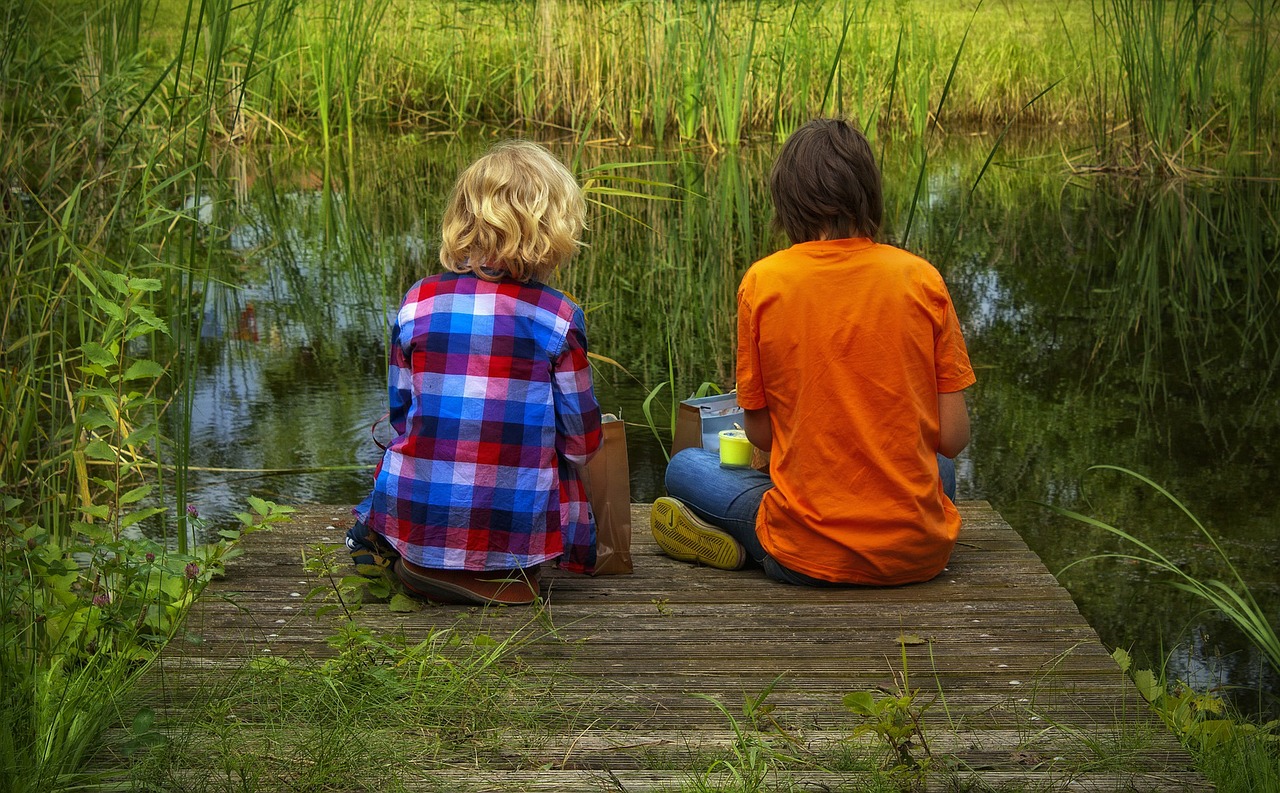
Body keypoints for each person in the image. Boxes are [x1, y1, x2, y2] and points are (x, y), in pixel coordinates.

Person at [651, 118, 975, 587]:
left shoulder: (764, 283)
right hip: (917, 555)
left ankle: (751, 545)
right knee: (937, 466)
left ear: (788, 201)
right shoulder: (921, 279)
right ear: (869, 193)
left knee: (685, 467)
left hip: (805, 556)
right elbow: (953, 438)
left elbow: (761, 434)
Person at [348, 140, 602, 605]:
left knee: (406, 438)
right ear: (554, 229)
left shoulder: (417, 300)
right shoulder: (558, 317)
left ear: (463, 219)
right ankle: (489, 570)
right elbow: (582, 443)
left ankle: (413, 554)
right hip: (515, 521)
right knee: (559, 457)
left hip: (418, 505)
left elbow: (402, 415)